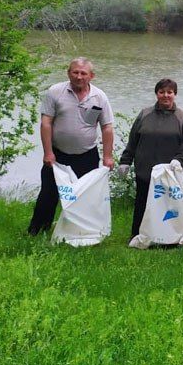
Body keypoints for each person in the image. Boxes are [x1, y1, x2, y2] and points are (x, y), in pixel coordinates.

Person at [27, 58, 115, 235]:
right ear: (68, 73)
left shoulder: (99, 97)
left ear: (91, 76)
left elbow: (107, 127)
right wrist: (48, 152)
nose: (79, 76)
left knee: (85, 196)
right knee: (48, 194)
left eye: (83, 73)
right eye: (75, 72)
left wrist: (107, 156)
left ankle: (83, 233)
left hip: (87, 155)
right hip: (57, 154)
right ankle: (37, 231)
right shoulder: (55, 92)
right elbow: (46, 123)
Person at [117, 78, 183, 239]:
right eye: (162, 92)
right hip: (145, 170)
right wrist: (125, 161)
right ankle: (138, 235)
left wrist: (180, 160)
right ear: (156, 94)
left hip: (170, 173)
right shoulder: (144, 114)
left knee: (168, 206)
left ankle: (169, 237)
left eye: (170, 92)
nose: (165, 95)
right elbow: (133, 140)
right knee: (142, 202)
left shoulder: (182, 117)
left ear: (175, 94)